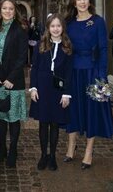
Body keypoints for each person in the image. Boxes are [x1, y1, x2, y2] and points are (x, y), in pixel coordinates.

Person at [64, 0, 113, 170]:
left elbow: (103, 49)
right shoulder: (68, 23)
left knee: (92, 111)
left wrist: (101, 77)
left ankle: (89, 151)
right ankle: (71, 147)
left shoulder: (98, 21)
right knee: (73, 109)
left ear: (89, 1)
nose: (82, 2)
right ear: (74, 2)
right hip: (73, 72)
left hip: (93, 73)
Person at [0, 0, 28, 168]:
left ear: (15, 11)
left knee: (13, 118)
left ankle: (13, 150)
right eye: (5, 8)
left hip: (14, 81)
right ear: (0, 10)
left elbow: (21, 57)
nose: (8, 11)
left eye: (11, 8)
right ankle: (1, 149)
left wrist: (11, 78)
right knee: (0, 117)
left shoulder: (21, 29)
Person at [29, 13, 73, 171]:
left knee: (54, 123)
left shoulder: (67, 46)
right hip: (42, 87)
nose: (55, 29)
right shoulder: (40, 45)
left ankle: (53, 155)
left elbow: (69, 72)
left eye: (58, 26)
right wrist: (33, 88)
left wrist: (66, 93)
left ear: (63, 28)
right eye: (52, 26)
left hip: (58, 89)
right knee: (43, 123)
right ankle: (43, 155)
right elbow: (34, 68)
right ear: (48, 28)